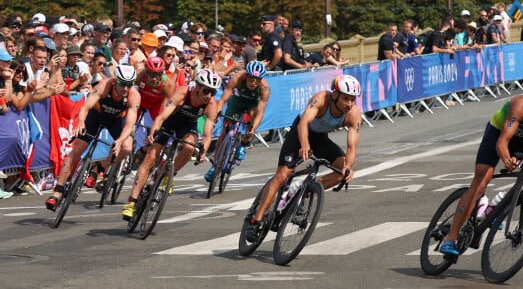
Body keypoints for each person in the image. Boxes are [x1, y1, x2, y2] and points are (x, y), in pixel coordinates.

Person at [439, 81, 523, 256]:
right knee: (481, 182)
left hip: (519, 140)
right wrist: (507, 160)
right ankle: (450, 238)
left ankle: (499, 205)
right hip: (498, 133)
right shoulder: (522, 105)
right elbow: (502, 142)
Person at [245, 75, 363, 242]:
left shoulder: (353, 114)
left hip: (321, 139)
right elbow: (303, 123)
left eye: (352, 100)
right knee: (282, 175)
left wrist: (348, 166)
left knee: (341, 172)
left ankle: (304, 192)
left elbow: (352, 146)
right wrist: (305, 144)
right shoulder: (322, 98)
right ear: (335, 94)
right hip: (299, 133)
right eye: (345, 98)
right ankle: (255, 220)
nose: (349, 104)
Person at [122, 68, 221, 221]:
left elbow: (207, 135)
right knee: (150, 158)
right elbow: (161, 117)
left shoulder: (211, 105)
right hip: (170, 122)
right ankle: (132, 202)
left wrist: (204, 150)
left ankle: (169, 175)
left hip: (188, 126)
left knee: (189, 146)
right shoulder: (182, 93)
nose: (209, 96)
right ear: (197, 87)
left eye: (212, 93)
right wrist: (152, 134)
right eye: (206, 91)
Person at [45, 65, 141, 211]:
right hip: (95, 116)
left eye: (129, 84)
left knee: (127, 147)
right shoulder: (104, 86)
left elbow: (129, 124)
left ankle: (99, 168)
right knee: (77, 150)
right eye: (122, 83)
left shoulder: (134, 96)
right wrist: (81, 123)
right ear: (115, 81)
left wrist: (120, 141)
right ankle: (57, 192)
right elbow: (84, 108)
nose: (126, 88)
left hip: (116, 120)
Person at [205, 62, 271, 180]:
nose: (253, 82)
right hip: (238, 101)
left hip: (253, 104)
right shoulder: (238, 78)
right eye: (251, 78)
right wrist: (218, 113)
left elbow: (260, 112)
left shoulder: (264, 88)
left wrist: (253, 129)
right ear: (246, 76)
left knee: (252, 118)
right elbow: (223, 99)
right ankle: (215, 164)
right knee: (225, 130)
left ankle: (244, 143)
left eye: (257, 80)